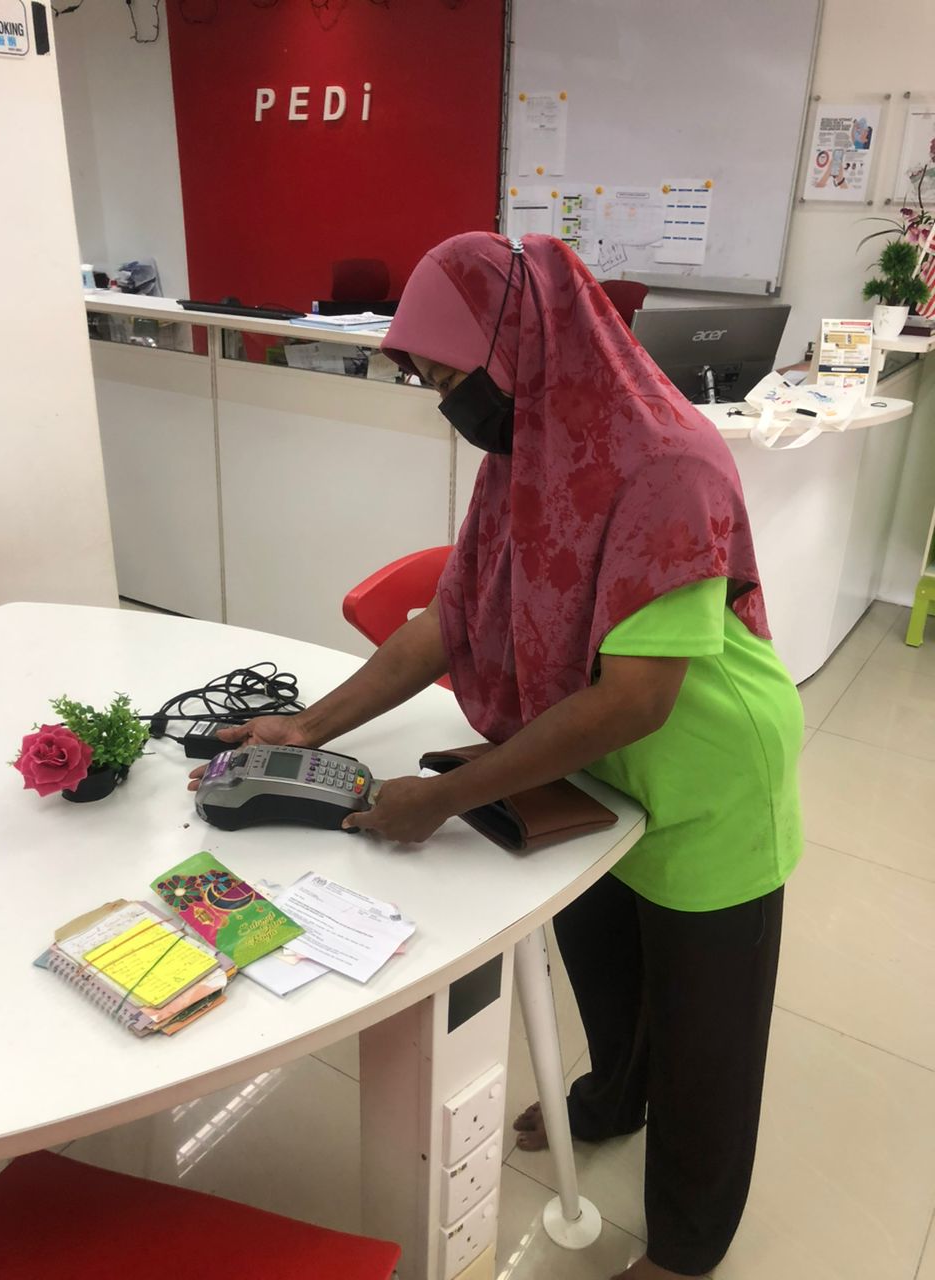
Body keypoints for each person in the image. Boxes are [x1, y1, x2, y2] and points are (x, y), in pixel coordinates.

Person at [189, 231, 803, 1279]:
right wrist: (308, 727)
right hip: (589, 766)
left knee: (708, 1035)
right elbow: (448, 618)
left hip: (708, 776)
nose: (448, 403)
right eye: (431, 382)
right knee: (608, 976)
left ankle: (688, 1248)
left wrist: (445, 797)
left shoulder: (668, 463)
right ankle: (611, 1101)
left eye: (449, 377)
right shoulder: (529, 450)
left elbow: (638, 698)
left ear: (526, 340)